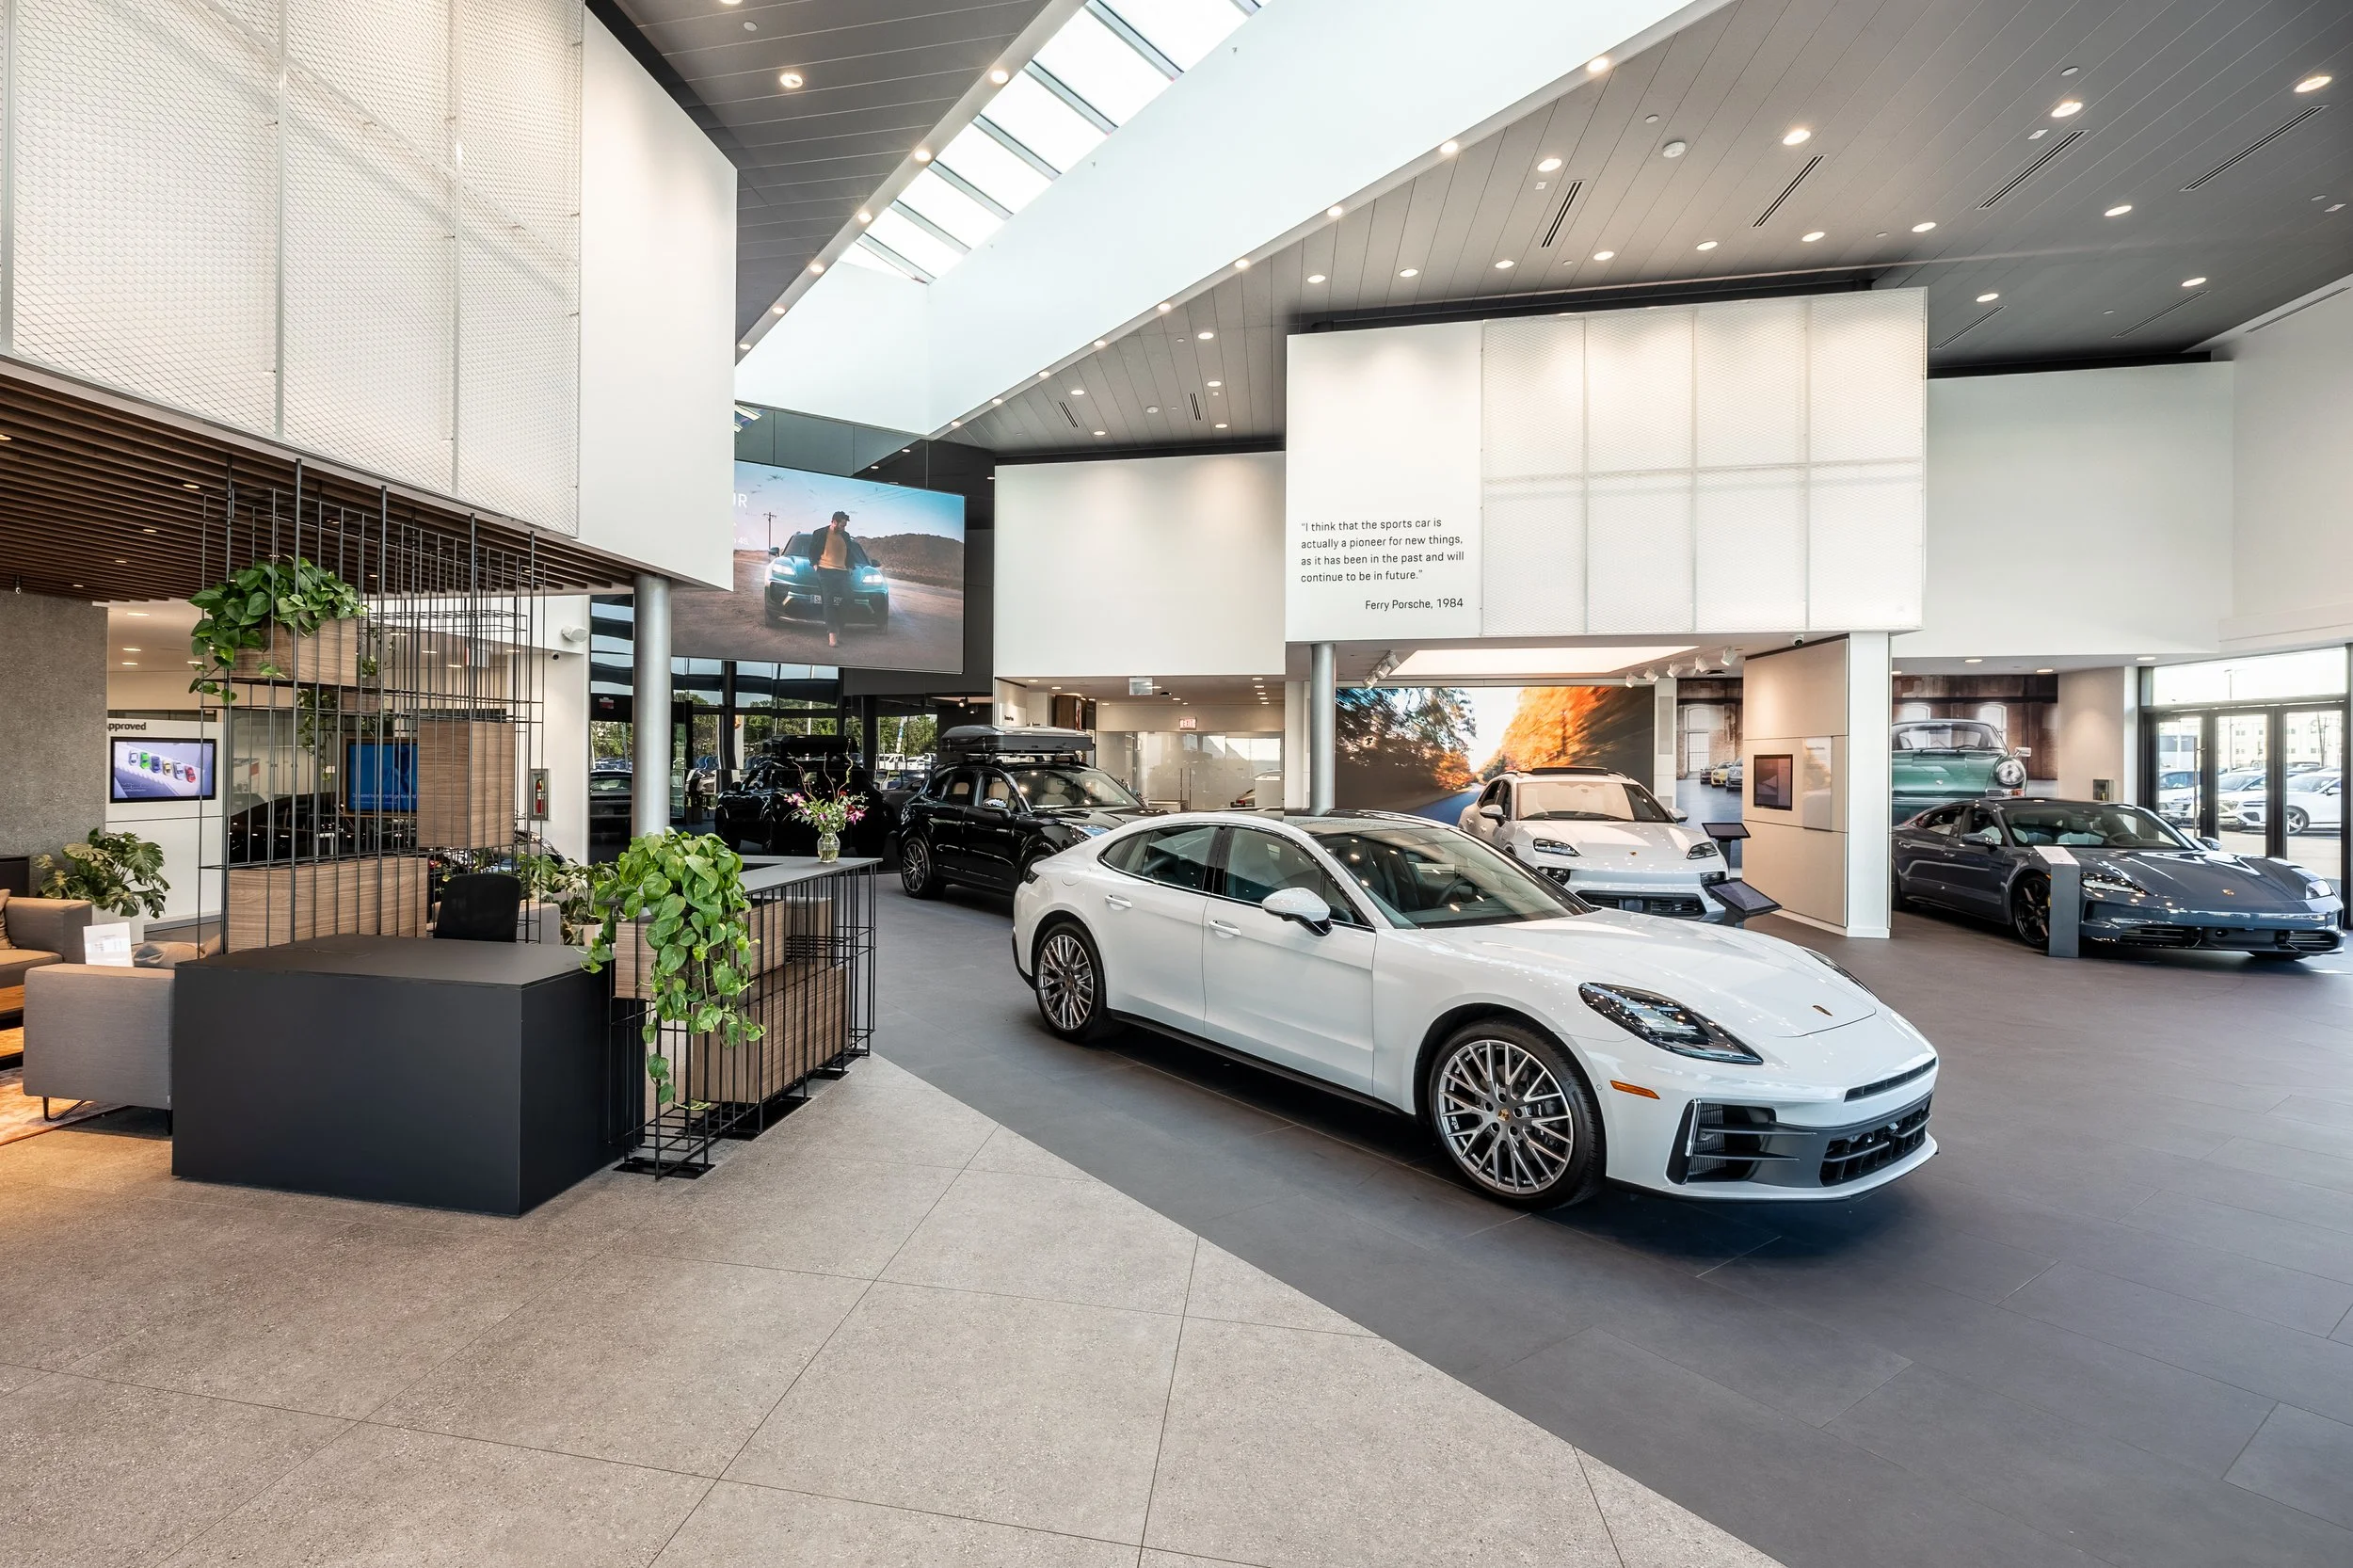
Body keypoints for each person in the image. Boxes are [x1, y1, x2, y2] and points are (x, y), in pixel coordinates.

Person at [815, 510, 856, 648]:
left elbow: (850, 553)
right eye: (842, 525)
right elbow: (812, 551)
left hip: (842, 572)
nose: (844, 528)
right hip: (825, 571)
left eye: (845, 526)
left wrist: (850, 567)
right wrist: (815, 566)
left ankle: (838, 629)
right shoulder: (820, 533)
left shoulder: (846, 536)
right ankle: (832, 634)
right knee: (829, 600)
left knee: (849, 598)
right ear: (833, 522)